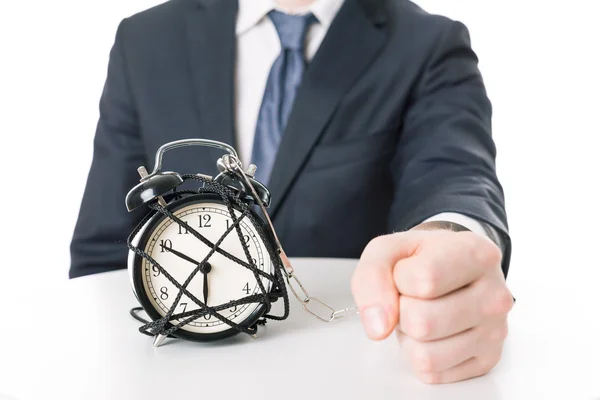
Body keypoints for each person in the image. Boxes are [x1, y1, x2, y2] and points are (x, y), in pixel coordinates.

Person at [70, 0, 514, 384]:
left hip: (344, 375)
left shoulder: (427, 44)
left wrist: (448, 240)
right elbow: (101, 253)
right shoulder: (146, 39)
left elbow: (455, 175)